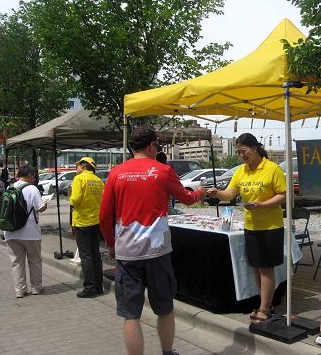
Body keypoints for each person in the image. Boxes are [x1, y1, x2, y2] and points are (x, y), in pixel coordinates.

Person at [100, 127, 207, 355]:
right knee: (164, 308)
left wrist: (111, 244)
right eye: (157, 146)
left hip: (127, 252)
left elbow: (104, 216)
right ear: (151, 146)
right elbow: (187, 199)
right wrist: (202, 194)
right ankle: (167, 352)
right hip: (157, 252)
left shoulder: (116, 173)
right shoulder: (163, 170)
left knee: (131, 315)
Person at [207, 133, 286, 323]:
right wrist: (217, 192)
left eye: (244, 151)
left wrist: (262, 205)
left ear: (255, 147)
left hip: (270, 227)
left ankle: (265, 309)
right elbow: (229, 194)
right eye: (238, 152)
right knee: (256, 269)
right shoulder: (241, 171)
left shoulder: (272, 168)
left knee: (266, 269)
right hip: (251, 226)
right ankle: (265, 304)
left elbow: (283, 195)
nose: (241, 155)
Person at [4, 165, 47, 298]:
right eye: (33, 175)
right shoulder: (32, 189)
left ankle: (20, 290)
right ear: (29, 175)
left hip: (11, 231)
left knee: (16, 262)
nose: (34, 178)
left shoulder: (9, 188)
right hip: (30, 233)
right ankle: (36, 288)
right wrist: (45, 204)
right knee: (34, 260)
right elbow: (39, 208)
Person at [69, 156, 105, 298]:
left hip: (82, 222)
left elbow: (75, 199)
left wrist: (70, 197)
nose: (76, 168)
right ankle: (99, 286)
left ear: (84, 166)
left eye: (78, 166)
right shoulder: (98, 181)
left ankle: (89, 287)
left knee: (86, 256)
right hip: (96, 222)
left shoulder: (79, 179)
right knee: (95, 254)